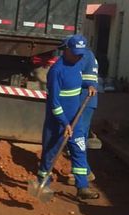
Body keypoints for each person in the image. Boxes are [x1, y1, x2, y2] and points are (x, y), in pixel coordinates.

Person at [39, 34, 99, 200]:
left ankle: (82, 187)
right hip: (58, 122)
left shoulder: (78, 64)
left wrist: (89, 85)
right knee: (50, 153)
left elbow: (77, 82)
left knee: (79, 150)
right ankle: (43, 183)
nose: (79, 56)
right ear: (66, 50)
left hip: (75, 119)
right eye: (75, 53)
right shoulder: (56, 71)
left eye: (81, 53)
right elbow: (54, 103)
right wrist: (64, 123)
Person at [64, 34, 99, 186]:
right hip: (81, 101)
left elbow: (77, 76)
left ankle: (84, 173)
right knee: (77, 138)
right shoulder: (85, 54)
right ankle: (84, 171)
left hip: (83, 101)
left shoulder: (83, 56)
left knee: (78, 138)